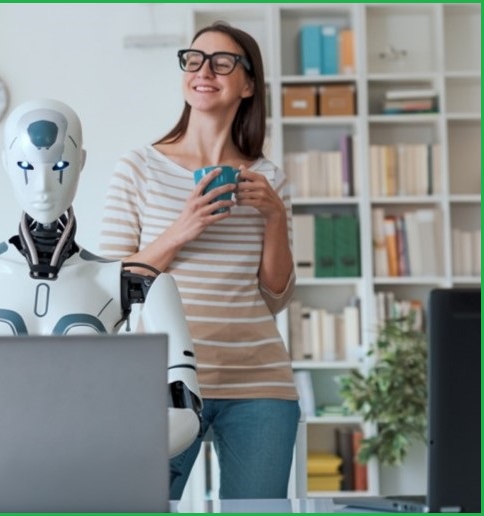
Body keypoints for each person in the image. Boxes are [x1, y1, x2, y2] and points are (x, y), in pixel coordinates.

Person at [0, 99, 203, 467]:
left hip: (87, 472)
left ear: (81, 162)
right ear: (6, 164)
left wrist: (114, 443)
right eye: (26, 166)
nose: (43, 186)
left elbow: (185, 413)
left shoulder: (131, 283)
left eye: (60, 166)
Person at [99, 21, 299, 500]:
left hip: (260, 384)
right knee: (141, 508)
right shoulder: (140, 166)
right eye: (194, 59)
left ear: (248, 84)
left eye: (222, 61)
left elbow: (276, 297)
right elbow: (111, 285)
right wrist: (183, 227)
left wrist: (273, 215)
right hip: (163, 381)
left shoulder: (268, 179)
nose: (204, 70)